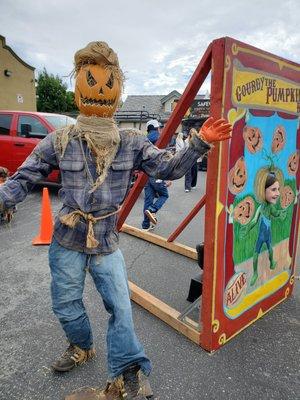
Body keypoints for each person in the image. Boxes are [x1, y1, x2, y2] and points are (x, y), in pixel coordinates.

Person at [0, 41, 232, 400]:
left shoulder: (132, 142)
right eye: (90, 81)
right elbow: (23, 180)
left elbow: (167, 167)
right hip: (66, 239)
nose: (99, 90)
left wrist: (200, 142)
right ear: (78, 85)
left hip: (106, 241)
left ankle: (127, 373)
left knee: (120, 307)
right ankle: (81, 346)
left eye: (107, 84)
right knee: (65, 304)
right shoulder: (60, 140)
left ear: (118, 90)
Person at [241, 169, 286, 286]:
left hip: (267, 234)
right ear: (263, 190)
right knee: (256, 253)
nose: (278, 193)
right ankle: (255, 273)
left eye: (278, 189)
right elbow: (255, 220)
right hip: (262, 236)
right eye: (273, 189)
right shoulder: (261, 208)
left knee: (270, 249)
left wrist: (280, 213)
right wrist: (247, 229)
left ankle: (271, 263)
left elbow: (275, 213)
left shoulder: (270, 207)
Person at [142, 120, 171, 231]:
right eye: (159, 127)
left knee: (148, 200)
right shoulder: (159, 138)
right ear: (156, 128)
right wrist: (167, 178)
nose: (160, 129)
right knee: (164, 195)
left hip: (146, 174)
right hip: (157, 173)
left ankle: (145, 225)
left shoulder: (144, 139)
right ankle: (153, 209)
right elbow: (163, 159)